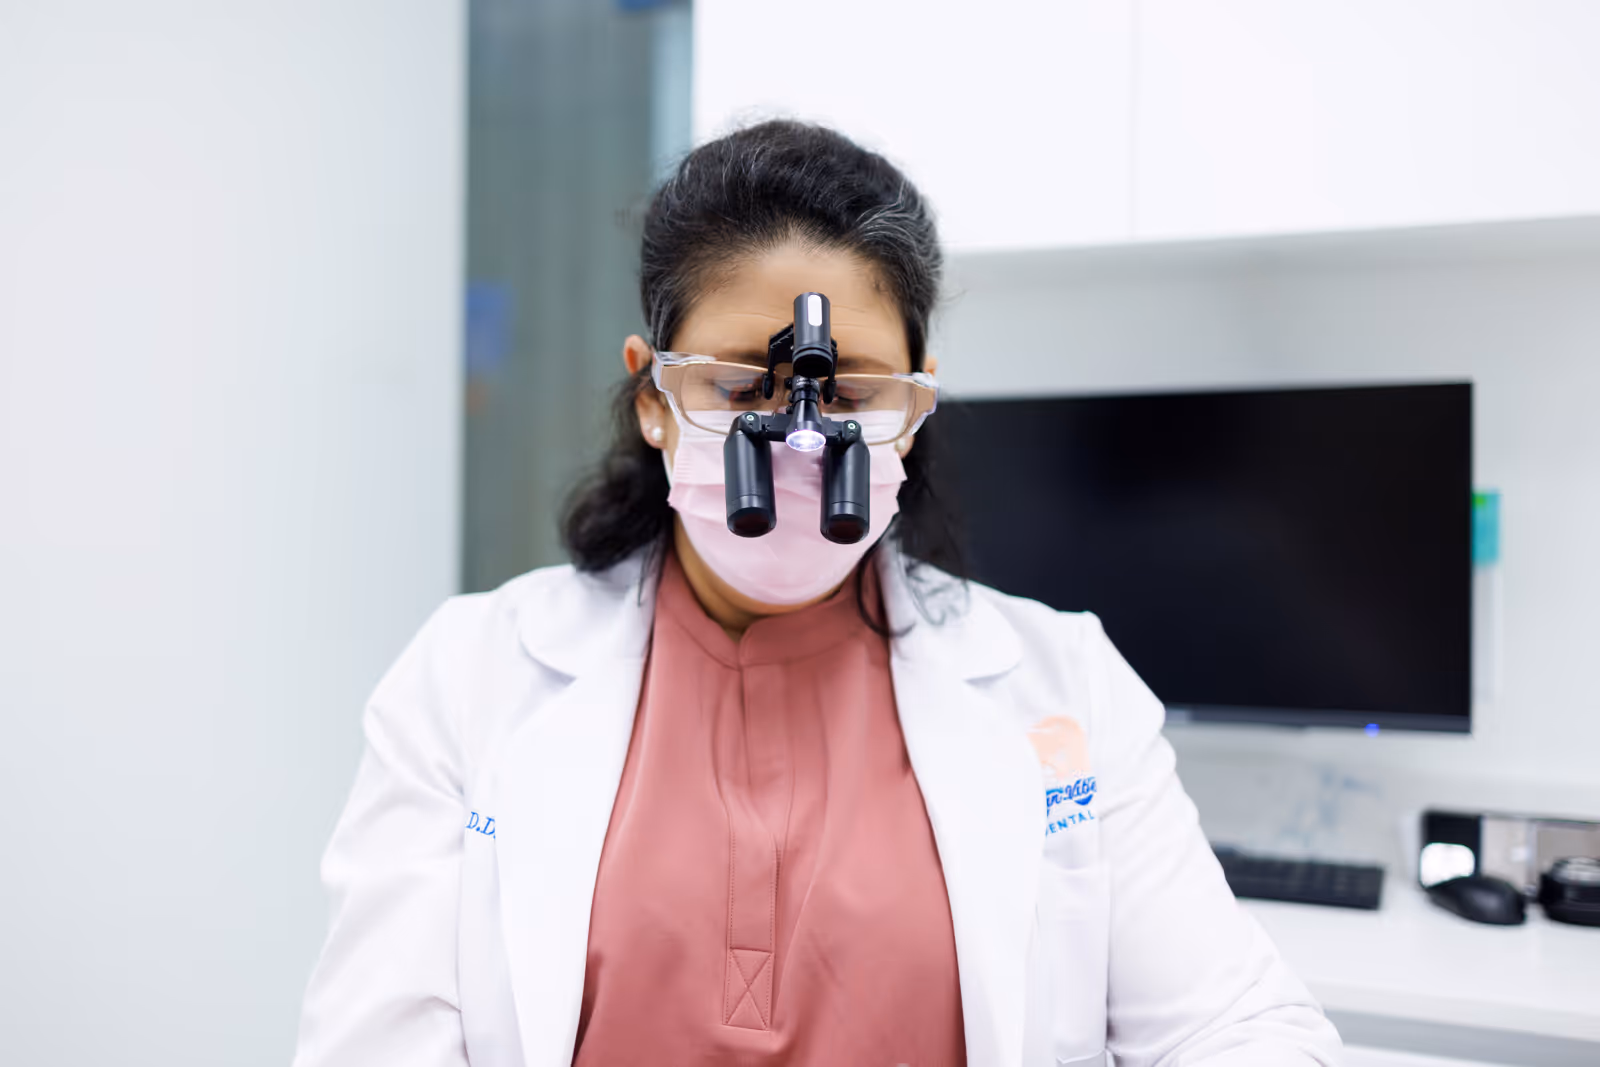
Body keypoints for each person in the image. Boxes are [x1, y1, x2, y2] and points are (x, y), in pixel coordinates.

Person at [292, 120, 1342, 1067]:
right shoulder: (470, 675)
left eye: (851, 392)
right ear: (654, 393)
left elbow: (1233, 1023)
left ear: (920, 398)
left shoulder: (1063, 682)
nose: (800, 440)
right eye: (743, 386)